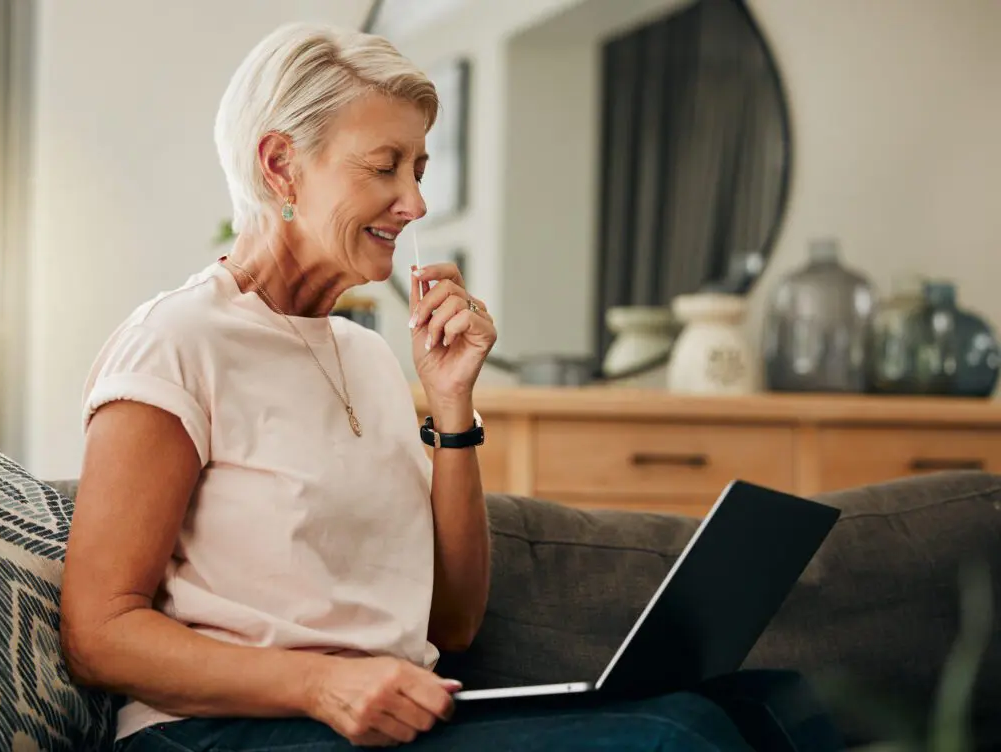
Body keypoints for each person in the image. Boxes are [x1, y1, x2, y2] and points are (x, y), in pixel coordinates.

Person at [59, 22, 821, 751]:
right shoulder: (176, 339)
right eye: (385, 165)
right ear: (281, 165)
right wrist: (321, 686)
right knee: (673, 739)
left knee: (781, 706)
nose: (416, 203)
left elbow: (452, 623)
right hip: (220, 732)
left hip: (390, 719)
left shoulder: (366, 356)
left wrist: (451, 405)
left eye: (419, 169)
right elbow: (99, 633)